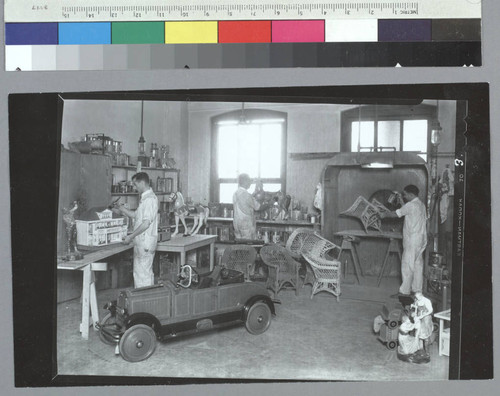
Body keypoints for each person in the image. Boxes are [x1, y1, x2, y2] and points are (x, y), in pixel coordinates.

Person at [380, 184, 427, 297]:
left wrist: (383, 214)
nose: (404, 196)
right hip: (420, 240)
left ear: (411, 194)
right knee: (417, 266)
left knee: (407, 266)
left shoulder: (410, 205)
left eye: (405, 195)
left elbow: (395, 214)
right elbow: (405, 209)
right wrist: (401, 200)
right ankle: (417, 291)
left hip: (412, 240)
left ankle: (404, 292)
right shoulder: (421, 205)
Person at [113, 172, 158, 288]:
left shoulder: (150, 200)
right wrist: (121, 208)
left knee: (143, 276)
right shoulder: (145, 199)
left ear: (142, 183)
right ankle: (144, 302)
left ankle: (145, 303)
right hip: (142, 243)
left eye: (135, 184)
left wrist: (130, 236)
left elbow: (146, 224)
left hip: (145, 243)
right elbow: (135, 215)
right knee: (141, 274)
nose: (134, 187)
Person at [233, 173, 262, 240]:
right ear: (245, 182)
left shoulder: (236, 193)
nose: (250, 183)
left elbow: (245, 201)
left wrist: (254, 193)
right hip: (245, 225)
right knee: (248, 247)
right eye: (249, 181)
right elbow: (258, 207)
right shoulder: (246, 194)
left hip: (237, 224)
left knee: (239, 245)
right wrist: (271, 203)